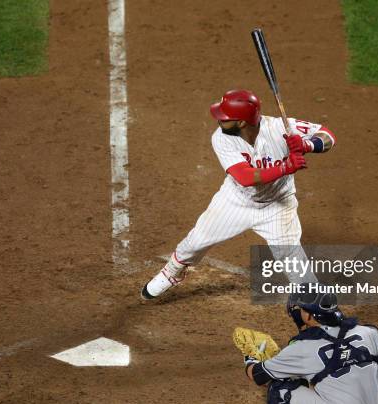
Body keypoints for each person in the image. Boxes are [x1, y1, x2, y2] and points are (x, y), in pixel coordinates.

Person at [141, 89, 336, 299]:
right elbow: (245, 177)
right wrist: (285, 167)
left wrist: (308, 144)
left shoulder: (279, 127)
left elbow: (328, 136)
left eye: (225, 118)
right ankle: (172, 272)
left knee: (292, 260)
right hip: (236, 202)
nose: (219, 120)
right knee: (196, 242)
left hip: (278, 206)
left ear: (242, 123)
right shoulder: (221, 139)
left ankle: (320, 310)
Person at [245, 285, 378, 404]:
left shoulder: (301, 349)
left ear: (308, 316)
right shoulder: (368, 332)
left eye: (300, 309)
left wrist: (250, 358)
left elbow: (258, 375)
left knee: (279, 390)